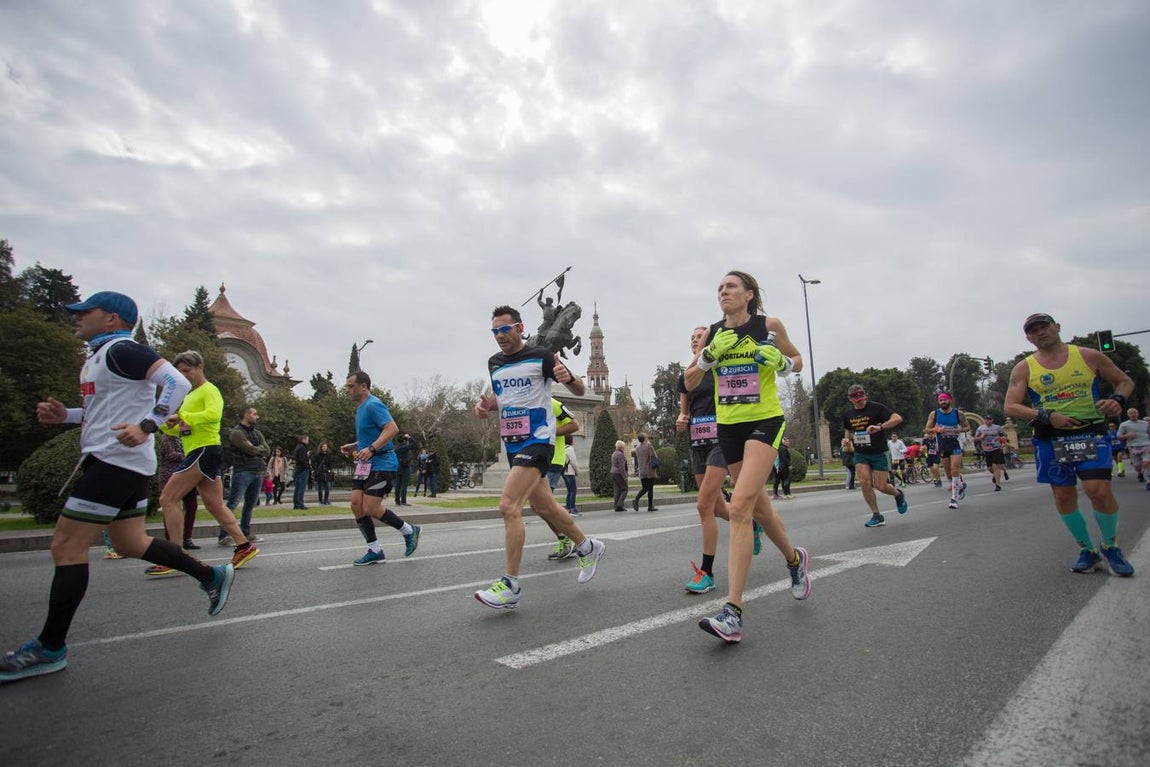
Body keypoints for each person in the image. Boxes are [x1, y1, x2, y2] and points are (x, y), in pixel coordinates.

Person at [1, 292, 232, 684]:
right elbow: (101, 414)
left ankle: (50, 646)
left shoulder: (121, 350)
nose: (75, 318)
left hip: (116, 462)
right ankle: (211, 576)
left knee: (65, 545)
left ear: (110, 319)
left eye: (83, 312)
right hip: (114, 459)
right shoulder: (97, 359)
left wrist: (149, 424)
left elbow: (173, 381)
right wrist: (66, 416)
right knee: (129, 543)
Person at [684, 271, 810, 643]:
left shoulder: (767, 325)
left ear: (749, 294)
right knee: (759, 509)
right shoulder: (712, 332)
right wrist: (707, 357)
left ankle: (732, 612)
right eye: (719, 287)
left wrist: (783, 364)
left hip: (764, 422)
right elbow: (690, 382)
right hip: (729, 426)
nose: (723, 292)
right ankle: (794, 559)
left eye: (731, 287)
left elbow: (797, 359)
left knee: (738, 508)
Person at [472, 305, 605, 609]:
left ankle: (510, 585)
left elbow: (580, 387)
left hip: (539, 439)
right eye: (495, 331)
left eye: (504, 329)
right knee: (543, 505)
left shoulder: (541, 355)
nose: (499, 336)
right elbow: (503, 398)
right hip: (513, 442)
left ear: (519, 328)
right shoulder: (494, 363)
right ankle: (587, 546)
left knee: (508, 505)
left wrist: (567, 376)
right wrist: (485, 407)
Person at [1003, 312, 1134, 576]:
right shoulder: (1024, 368)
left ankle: (1110, 545)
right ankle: (1087, 550)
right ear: (1028, 338)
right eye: (1034, 331)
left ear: (1057, 327)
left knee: (1097, 490)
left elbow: (1125, 381)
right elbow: (1010, 406)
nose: (1041, 332)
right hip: (1051, 439)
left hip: (1090, 434)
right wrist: (1046, 415)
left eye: (1045, 326)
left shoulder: (1089, 356)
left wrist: (1118, 400)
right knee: (1063, 495)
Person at [154, 351, 259, 574]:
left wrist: (183, 417)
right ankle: (244, 546)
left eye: (187, 370)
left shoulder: (209, 390)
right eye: (179, 372)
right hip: (201, 451)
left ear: (200, 367)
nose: (183, 375)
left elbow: (213, 415)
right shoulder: (190, 396)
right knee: (215, 505)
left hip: (204, 450)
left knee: (168, 498)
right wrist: (159, 422)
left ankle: (175, 556)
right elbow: (180, 428)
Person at [677, 325, 763, 595]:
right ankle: (751, 523)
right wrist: (682, 417)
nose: (695, 339)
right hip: (697, 440)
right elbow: (685, 406)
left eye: (700, 336)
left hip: (721, 438)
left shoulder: (721, 366)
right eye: (692, 337)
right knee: (714, 507)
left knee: (703, 504)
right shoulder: (689, 375)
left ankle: (707, 572)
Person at [340, 371, 421, 565]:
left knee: (370, 507)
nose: (347, 390)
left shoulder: (373, 404)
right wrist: (356, 445)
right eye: (347, 387)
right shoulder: (361, 408)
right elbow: (373, 434)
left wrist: (371, 448)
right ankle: (374, 550)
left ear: (364, 387)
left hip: (382, 463)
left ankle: (409, 531)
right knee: (356, 505)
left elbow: (392, 429)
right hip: (365, 464)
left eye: (351, 386)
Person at [842, 384, 909, 527]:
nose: (860, 401)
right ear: (851, 399)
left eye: (862, 397)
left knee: (881, 486)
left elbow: (897, 418)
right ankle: (876, 515)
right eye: (857, 399)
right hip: (861, 453)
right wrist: (846, 440)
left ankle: (898, 494)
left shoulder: (876, 408)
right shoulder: (848, 414)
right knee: (865, 482)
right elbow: (848, 431)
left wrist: (880, 427)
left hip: (879, 452)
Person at [223, 406, 268, 543]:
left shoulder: (257, 433)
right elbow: (249, 450)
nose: (257, 416)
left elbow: (266, 449)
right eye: (254, 414)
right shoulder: (236, 433)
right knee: (233, 503)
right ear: (246, 415)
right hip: (243, 471)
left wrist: (256, 448)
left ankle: (245, 532)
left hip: (257, 471)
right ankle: (224, 535)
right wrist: (257, 449)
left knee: (250, 504)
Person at [544, 399, 582, 560]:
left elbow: (575, 425)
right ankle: (573, 540)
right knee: (541, 505)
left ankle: (574, 541)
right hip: (537, 459)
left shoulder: (552, 403)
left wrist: (549, 432)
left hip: (553, 460)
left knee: (543, 504)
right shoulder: (528, 402)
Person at [924, 392, 970, 509]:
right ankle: (959, 484)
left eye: (945, 400)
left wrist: (960, 429)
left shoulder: (958, 413)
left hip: (955, 444)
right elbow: (927, 429)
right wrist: (937, 429)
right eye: (941, 400)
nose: (943, 402)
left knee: (955, 469)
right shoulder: (934, 414)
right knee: (948, 472)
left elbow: (968, 427)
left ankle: (954, 499)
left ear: (950, 400)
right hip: (943, 445)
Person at [158, 432, 199, 550]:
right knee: (171, 505)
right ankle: (171, 539)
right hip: (170, 475)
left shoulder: (188, 435)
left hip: (187, 475)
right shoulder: (168, 436)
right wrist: (190, 455)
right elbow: (170, 454)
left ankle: (187, 538)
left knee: (192, 506)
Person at [1116, 408, 1150, 488]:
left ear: (1138, 414)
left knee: (1147, 462)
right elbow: (1118, 436)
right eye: (1131, 413)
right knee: (1137, 465)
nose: (1133, 415)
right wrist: (1127, 436)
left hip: (1146, 444)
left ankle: (1148, 480)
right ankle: (1140, 473)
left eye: (1135, 413)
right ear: (1128, 415)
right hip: (1133, 446)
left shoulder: (1145, 423)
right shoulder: (1124, 424)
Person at [973, 415, 1009, 491]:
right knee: (990, 468)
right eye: (987, 419)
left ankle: (997, 485)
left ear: (992, 420)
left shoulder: (997, 427)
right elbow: (975, 439)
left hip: (996, 448)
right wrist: (981, 437)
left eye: (990, 419)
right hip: (986, 449)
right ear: (985, 420)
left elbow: (1005, 436)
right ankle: (995, 476)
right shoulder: (980, 428)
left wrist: (1002, 439)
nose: (988, 421)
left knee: (995, 466)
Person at [632, 433, 658, 511]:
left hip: (642, 470)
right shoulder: (649, 447)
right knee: (650, 489)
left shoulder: (637, 448)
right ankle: (650, 506)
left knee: (644, 488)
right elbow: (654, 456)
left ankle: (636, 499)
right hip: (649, 470)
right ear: (645, 438)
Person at [394, 433, 414, 506]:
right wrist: (409, 437)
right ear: (404, 441)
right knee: (404, 485)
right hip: (405, 467)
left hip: (398, 467)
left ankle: (397, 500)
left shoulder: (396, 448)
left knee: (398, 484)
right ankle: (403, 500)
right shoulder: (404, 447)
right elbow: (413, 443)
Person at [291, 435, 310, 510]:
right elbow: (302, 459)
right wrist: (307, 466)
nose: (308, 441)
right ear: (304, 439)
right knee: (301, 488)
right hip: (303, 470)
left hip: (298, 469)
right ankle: (300, 504)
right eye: (307, 439)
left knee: (297, 488)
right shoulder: (302, 448)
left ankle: (296, 503)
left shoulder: (298, 447)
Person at [562, 441, 579, 517]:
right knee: (573, 490)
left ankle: (568, 507)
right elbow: (573, 461)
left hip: (563, 471)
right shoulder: (570, 449)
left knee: (569, 490)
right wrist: (577, 471)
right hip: (570, 471)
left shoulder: (562, 448)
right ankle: (572, 507)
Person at [611, 440, 629, 511]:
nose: (624, 448)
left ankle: (616, 506)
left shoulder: (614, 453)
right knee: (625, 489)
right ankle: (620, 505)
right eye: (623, 447)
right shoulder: (620, 454)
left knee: (617, 490)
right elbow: (622, 468)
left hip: (613, 472)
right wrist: (625, 477)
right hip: (618, 473)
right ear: (621, 447)